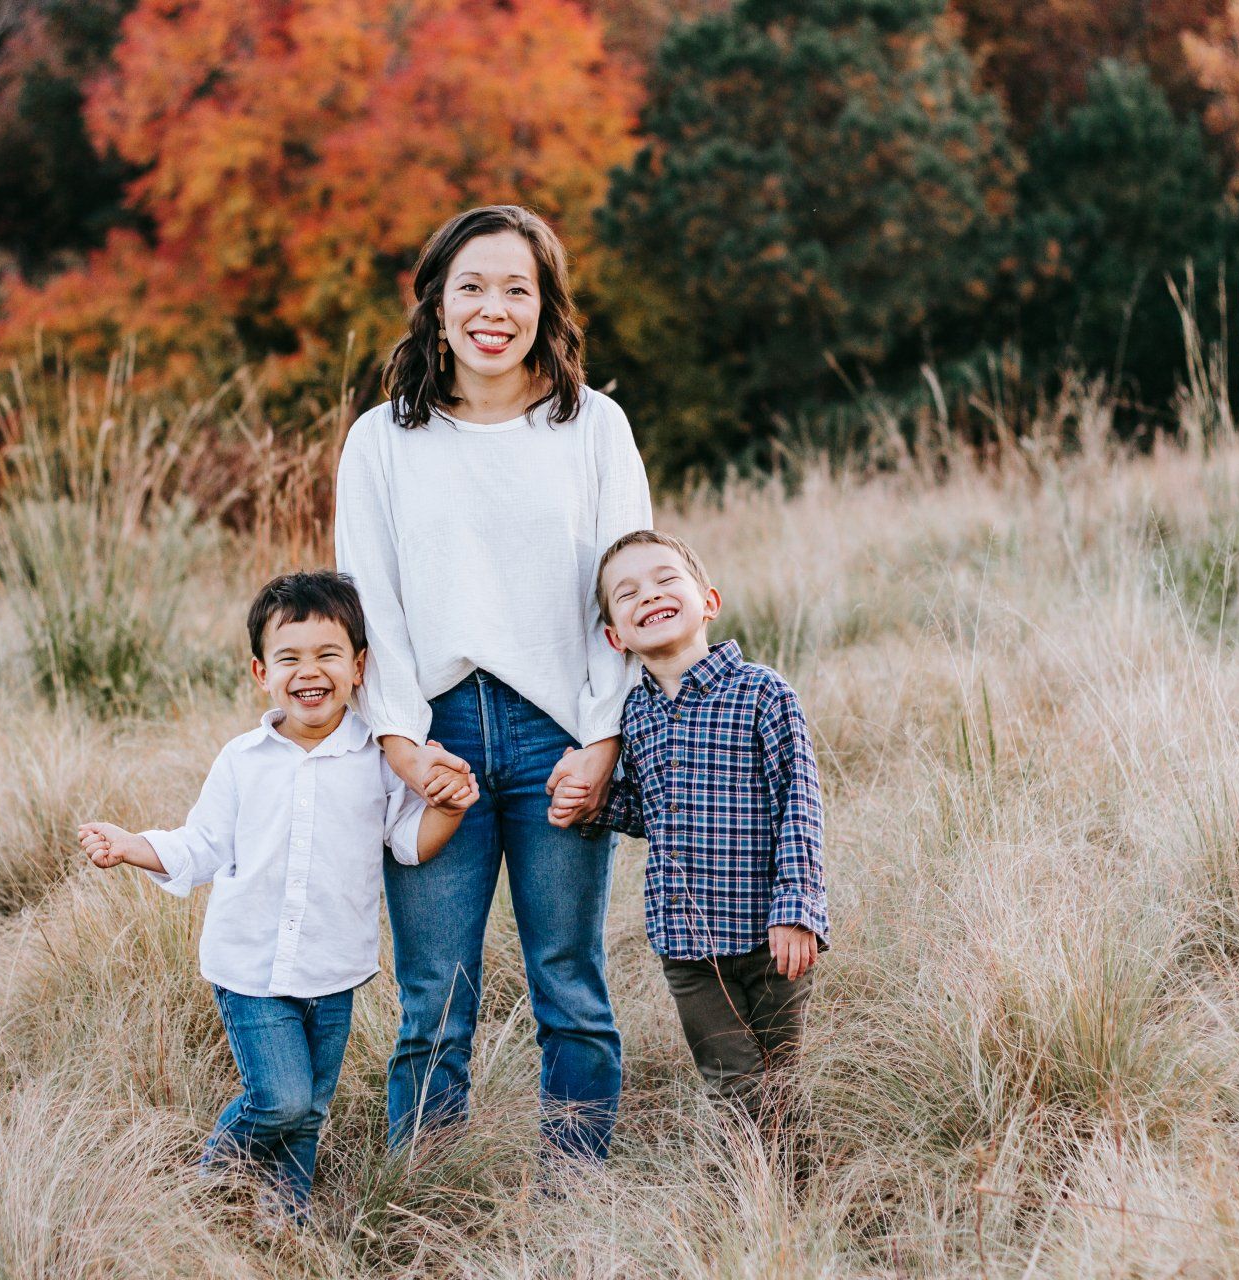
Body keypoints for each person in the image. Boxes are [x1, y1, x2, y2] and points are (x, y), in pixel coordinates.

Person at [335, 205, 653, 1164]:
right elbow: (368, 601)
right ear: (436, 303)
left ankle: (579, 1204)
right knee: (434, 998)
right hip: (433, 739)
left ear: (545, 305)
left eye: (518, 288)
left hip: (561, 733)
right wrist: (397, 742)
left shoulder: (594, 427)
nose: (493, 309)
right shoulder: (382, 441)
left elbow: (626, 585)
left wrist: (603, 741)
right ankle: (426, 1198)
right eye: (471, 286)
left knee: (571, 986)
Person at [77, 572, 476, 1215]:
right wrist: (131, 844)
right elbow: (202, 844)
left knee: (311, 1111)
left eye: (328, 655)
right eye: (289, 657)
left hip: (333, 968)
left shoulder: (378, 761)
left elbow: (411, 842)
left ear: (360, 667)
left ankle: (283, 1220)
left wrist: (449, 807)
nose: (308, 672)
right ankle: (205, 1183)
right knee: (281, 1099)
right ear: (261, 671)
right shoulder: (243, 759)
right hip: (250, 967)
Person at [551, 530, 828, 1123]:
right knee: (732, 1081)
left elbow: (799, 805)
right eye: (626, 594)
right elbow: (655, 813)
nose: (648, 595)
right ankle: (754, 1199)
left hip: (769, 935)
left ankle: (798, 1196)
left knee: (780, 1076)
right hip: (688, 946)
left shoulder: (762, 693)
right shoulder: (636, 714)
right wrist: (593, 804)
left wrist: (797, 909)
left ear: (709, 600)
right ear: (615, 636)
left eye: (664, 579)